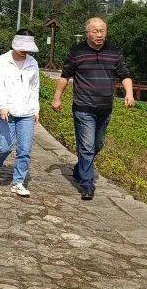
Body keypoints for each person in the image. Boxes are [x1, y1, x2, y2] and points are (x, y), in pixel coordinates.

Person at [50, 17, 134, 201]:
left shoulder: (113, 52)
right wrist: (57, 98)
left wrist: (129, 93)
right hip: (83, 107)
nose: (99, 34)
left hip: (105, 108)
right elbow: (65, 76)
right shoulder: (77, 52)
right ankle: (87, 185)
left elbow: (125, 74)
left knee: (97, 145)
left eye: (102, 31)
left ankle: (80, 168)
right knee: (87, 146)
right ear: (88, 32)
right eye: (95, 31)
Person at [0, 30, 40, 197]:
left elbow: (34, 88)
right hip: (7, 110)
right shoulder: (3, 60)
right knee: (4, 146)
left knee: (25, 149)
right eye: (21, 47)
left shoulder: (33, 63)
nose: (24, 51)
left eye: (27, 48)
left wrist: (36, 109)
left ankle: (18, 182)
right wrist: (2, 105)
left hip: (27, 112)